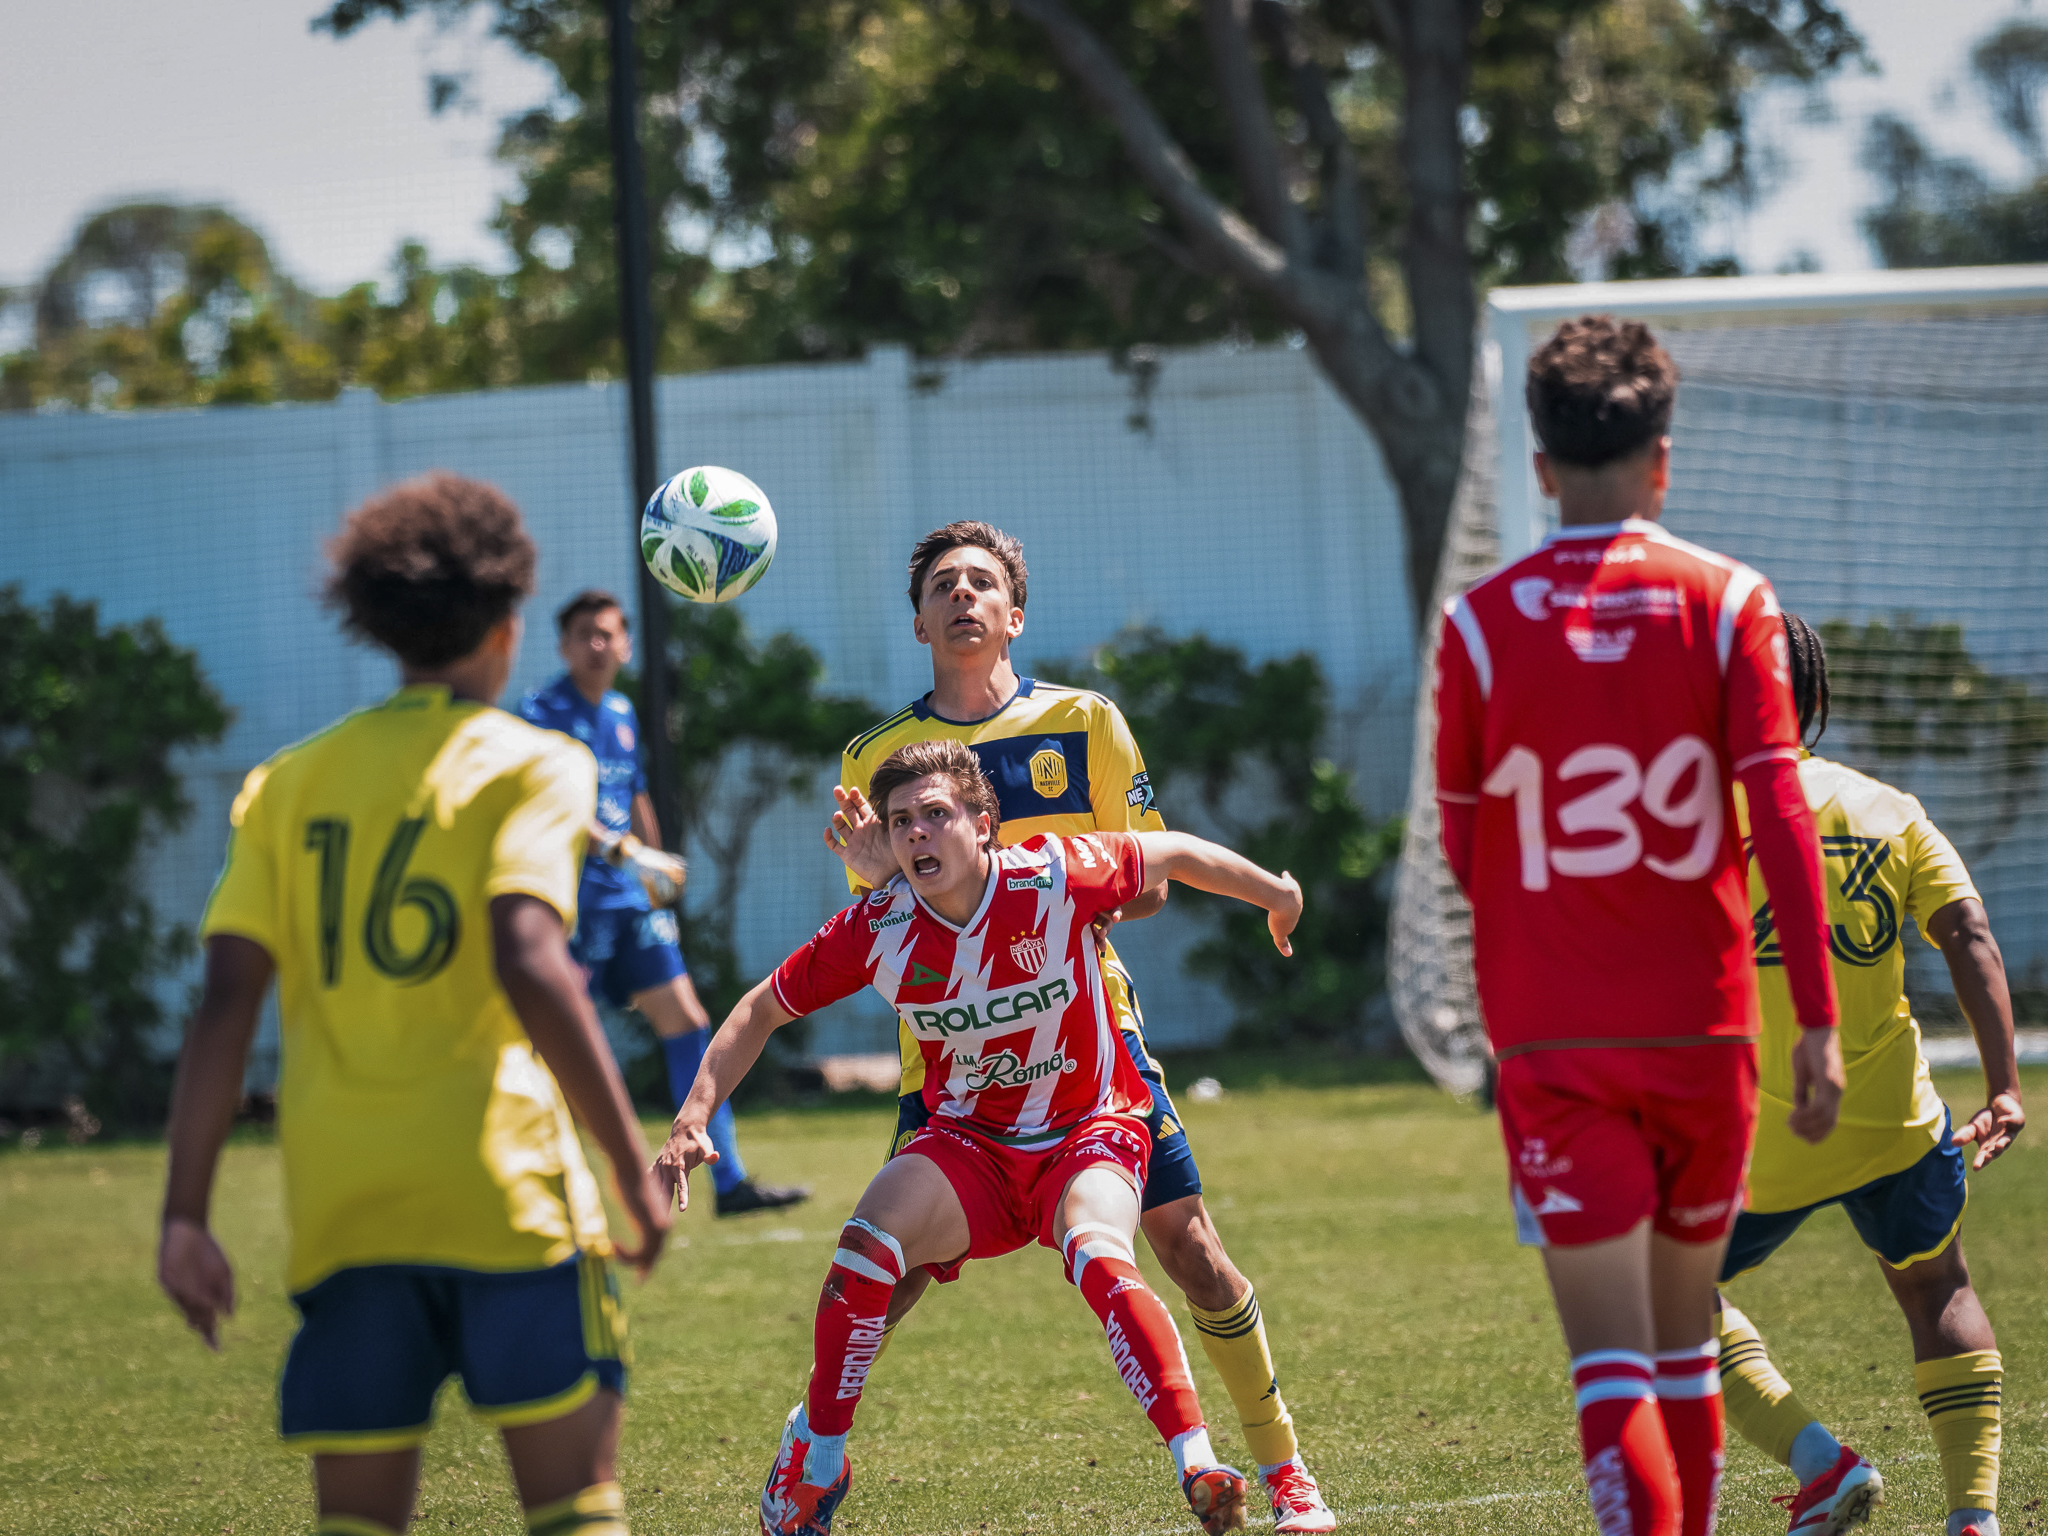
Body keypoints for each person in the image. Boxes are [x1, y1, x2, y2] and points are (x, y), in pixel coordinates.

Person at [157, 473, 670, 1536]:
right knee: (575, 1512)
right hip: (507, 1201)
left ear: (376, 621)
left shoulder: (287, 784)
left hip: (347, 1208)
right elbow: (530, 957)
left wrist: (184, 1214)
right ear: (508, 618)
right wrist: (630, 1167)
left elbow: (223, 1005)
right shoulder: (537, 765)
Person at [823, 521, 1335, 1533]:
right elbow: (881, 920)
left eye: (982, 583)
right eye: (941, 585)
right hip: (954, 1060)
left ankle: (1286, 1471)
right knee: (888, 1272)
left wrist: (1041, 894)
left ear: (1014, 614)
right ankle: (815, 1445)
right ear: (918, 617)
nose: (962, 595)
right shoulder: (874, 757)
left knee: (1189, 1250)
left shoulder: (1086, 723)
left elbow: (1145, 879)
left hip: (1086, 1038)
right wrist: (888, 874)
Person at [654, 739, 1304, 1536]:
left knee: (1101, 1250)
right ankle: (817, 1460)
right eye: (901, 823)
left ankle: (1198, 1461)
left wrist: (1276, 893)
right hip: (970, 1144)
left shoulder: (1057, 873)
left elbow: (1174, 853)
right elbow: (762, 1008)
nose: (917, 835)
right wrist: (693, 1115)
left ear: (985, 823)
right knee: (865, 1249)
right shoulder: (879, 926)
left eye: (935, 815)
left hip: (1088, 1128)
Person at [1433, 316, 1847, 1536]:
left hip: (1554, 1041)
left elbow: (1466, 849)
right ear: (1662, 459)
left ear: (1540, 468)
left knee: (1611, 1365)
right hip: (1702, 1028)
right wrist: (1813, 1021)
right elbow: (1778, 813)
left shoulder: (1477, 627)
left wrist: (1537, 947)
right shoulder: (1729, 603)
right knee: (1680, 1349)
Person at [1713, 613, 2022, 1536]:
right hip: (1893, 1121)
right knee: (1940, 1290)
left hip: (1761, 1134)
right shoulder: (1889, 809)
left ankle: (1822, 1462)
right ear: (1812, 700)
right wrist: (2005, 1084)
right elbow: (1969, 935)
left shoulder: (1698, 820)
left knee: (1650, 1291)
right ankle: (1974, 1518)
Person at [519, 589, 807, 1218]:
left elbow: (636, 791)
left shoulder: (621, 710)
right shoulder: (541, 713)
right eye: (585, 635)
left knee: (688, 1021)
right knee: (554, 1049)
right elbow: (550, 808)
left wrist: (653, 863)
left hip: (629, 901)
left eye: (609, 634)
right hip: (571, 905)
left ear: (625, 644)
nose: (599, 645)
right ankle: (535, 1187)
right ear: (564, 646)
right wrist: (625, 853)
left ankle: (727, 1180)